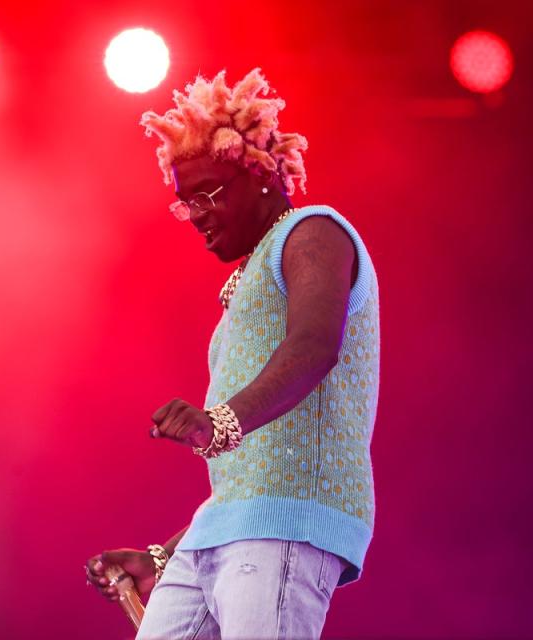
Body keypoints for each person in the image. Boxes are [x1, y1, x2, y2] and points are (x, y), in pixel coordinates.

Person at [86, 68, 380, 639]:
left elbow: (315, 347)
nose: (195, 215)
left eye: (209, 195)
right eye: (185, 202)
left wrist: (218, 421)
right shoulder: (248, 281)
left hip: (287, 525)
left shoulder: (314, 231)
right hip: (221, 531)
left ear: (261, 176)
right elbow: (248, 478)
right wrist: (164, 556)